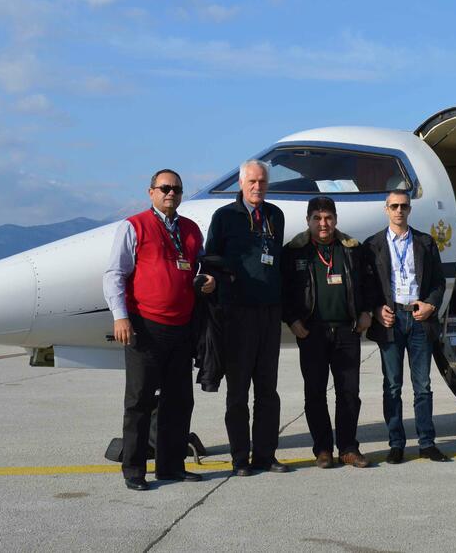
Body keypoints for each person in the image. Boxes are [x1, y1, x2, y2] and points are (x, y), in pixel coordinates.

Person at [103, 169, 215, 491]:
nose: (171, 194)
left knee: (179, 401)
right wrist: (120, 317)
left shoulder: (191, 230)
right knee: (139, 400)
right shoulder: (134, 226)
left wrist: (208, 281)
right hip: (144, 327)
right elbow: (114, 274)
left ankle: (171, 466)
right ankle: (134, 469)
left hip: (182, 328)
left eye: (177, 189)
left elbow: (201, 266)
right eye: (165, 188)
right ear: (150, 192)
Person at [204, 160, 288, 476]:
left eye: (262, 182)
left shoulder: (275, 216)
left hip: (269, 315)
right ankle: (240, 458)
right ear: (241, 183)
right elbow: (211, 259)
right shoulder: (224, 217)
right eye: (252, 181)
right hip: (237, 317)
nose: (257, 187)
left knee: (268, 391)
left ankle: (265, 455)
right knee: (238, 393)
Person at [283, 196, 372, 469]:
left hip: (347, 331)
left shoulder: (351, 249)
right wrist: (292, 320)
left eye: (328, 218)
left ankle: (348, 448)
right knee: (315, 393)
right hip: (312, 333)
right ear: (308, 220)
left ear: (335, 219)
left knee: (349, 392)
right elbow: (283, 291)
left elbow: (368, 283)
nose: (324, 224)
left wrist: (366, 312)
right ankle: (322, 449)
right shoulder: (294, 251)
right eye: (317, 219)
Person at [363, 190, 451, 464]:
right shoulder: (372, 245)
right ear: (386, 209)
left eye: (404, 206)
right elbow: (366, 286)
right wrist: (376, 310)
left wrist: (431, 306)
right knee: (392, 386)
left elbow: (438, 281)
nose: (399, 211)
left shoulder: (425, 242)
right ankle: (396, 444)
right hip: (391, 320)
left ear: (409, 210)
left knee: (422, 386)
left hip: (418, 319)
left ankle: (427, 443)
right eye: (394, 206)